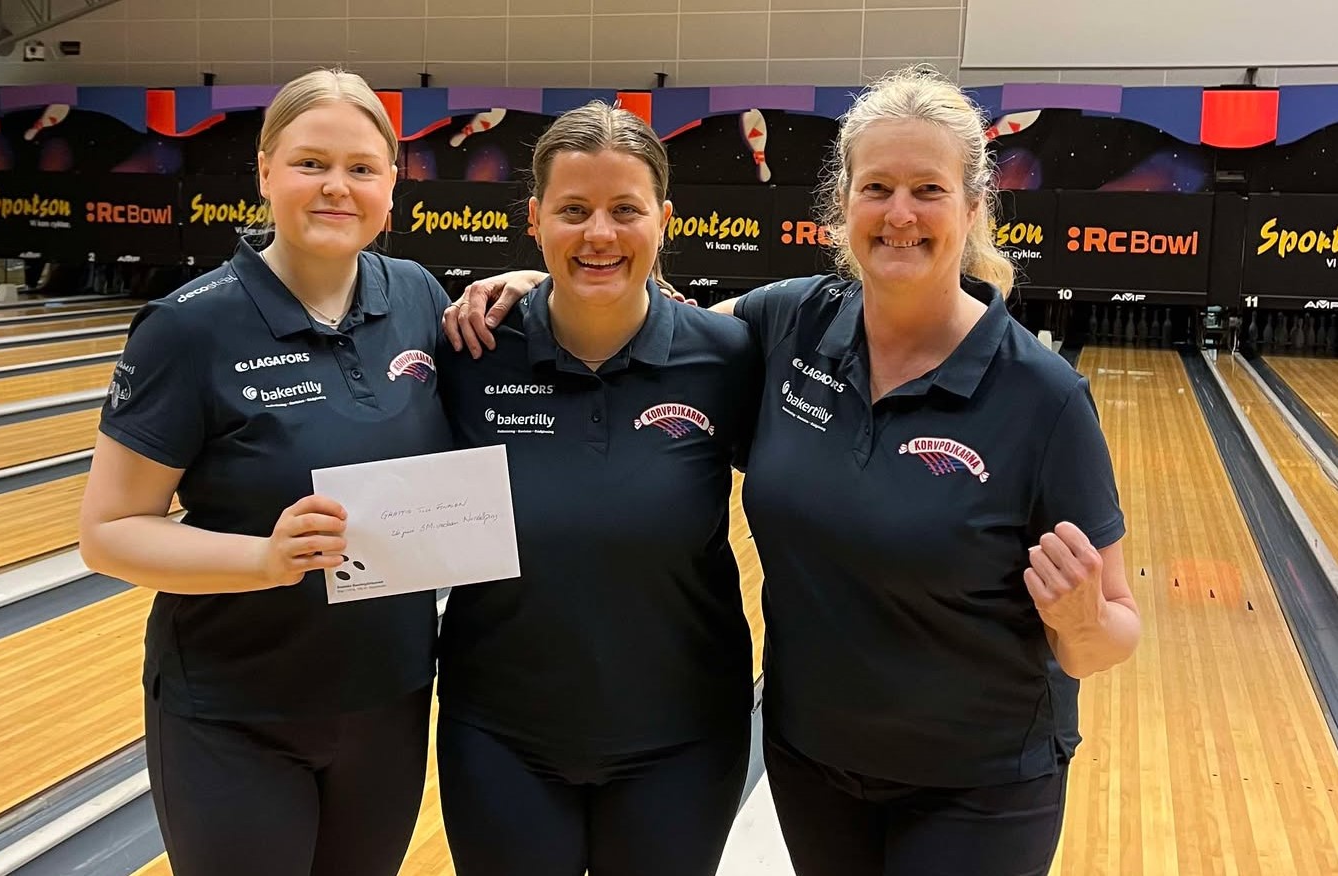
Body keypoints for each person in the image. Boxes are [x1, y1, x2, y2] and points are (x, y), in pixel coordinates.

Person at [447, 66, 1141, 876]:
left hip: (975, 780)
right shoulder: (792, 322)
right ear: (843, 203)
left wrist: (1081, 625)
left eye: (928, 189)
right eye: (877, 188)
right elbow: (645, 333)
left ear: (974, 205)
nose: (901, 213)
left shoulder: (1044, 397)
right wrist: (543, 287)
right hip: (815, 765)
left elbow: (1112, 630)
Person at [78, 70, 454, 876]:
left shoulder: (419, 296)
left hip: (389, 700)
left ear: (393, 183)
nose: (336, 186)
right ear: (264, 171)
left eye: (361, 168)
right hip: (235, 714)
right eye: (311, 163)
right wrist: (264, 558)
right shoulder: (187, 328)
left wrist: (528, 284)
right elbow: (108, 533)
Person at [433, 101, 761, 876]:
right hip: (499, 737)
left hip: (684, 740)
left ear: (665, 221)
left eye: (626, 210)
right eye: (574, 211)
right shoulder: (469, 349)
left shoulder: (727, 356)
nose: (600, 234)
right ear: (535, 218)